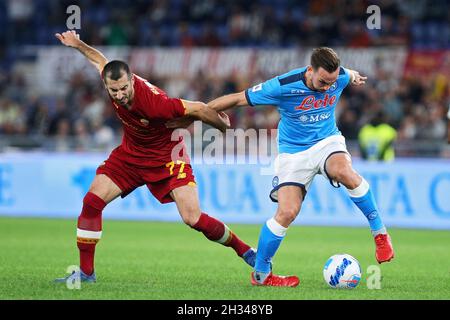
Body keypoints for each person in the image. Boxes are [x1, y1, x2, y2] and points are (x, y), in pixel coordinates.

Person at [167, 47, 395, 287]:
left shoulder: (338, 77)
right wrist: (195, 115)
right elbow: (236, 98)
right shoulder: (282, 86)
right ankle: (262, 275)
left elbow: (347, 74)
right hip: (293, 153)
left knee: (344, 171)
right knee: (286, 213)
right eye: (323, 81)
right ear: (310, 71)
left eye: (332, 81)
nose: (328, 87)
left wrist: (353, 75)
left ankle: (379, 233)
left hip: (327, 142)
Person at [54, 30, 256, 283]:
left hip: (168, 157)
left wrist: (222, 126)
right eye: (113, 90)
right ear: (107, 84)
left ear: (131, 81)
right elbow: (98, 59)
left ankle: (246, 251)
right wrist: (76, 44)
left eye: (124, 88)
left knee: (192, 217)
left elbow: (201, 108)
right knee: (91, 202)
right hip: (130, 155)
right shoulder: (112, 77)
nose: (119, 94)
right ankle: (86, 274)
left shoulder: (154, 103)